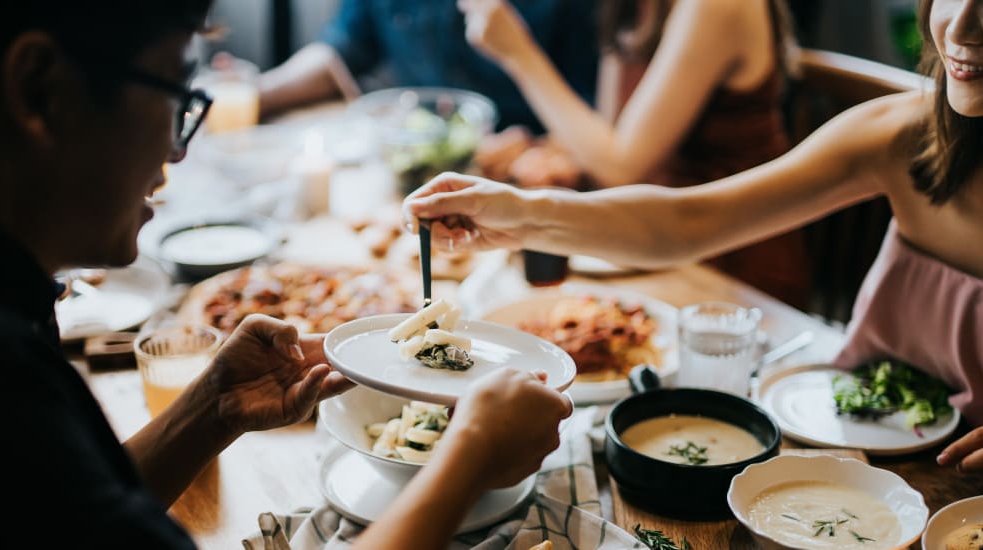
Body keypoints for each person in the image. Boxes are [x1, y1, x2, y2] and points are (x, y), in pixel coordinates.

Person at [0, 2, 571, 547]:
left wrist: (213, 408)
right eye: (176, 96)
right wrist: (471, 452)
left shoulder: (14, 316)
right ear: (41, 91)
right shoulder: (2, 372)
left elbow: (86, 514)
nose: (178, 148)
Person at [404, 0, 983, 472]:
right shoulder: (903, 135)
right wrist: (524, 213)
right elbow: (689, 222)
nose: (962, 26)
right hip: (852, 445)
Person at [459, 0, 812, 308]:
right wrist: (543, 148)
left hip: (727, 259)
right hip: (655, 237)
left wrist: (518, 53)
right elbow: (614, 134)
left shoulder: (718, 5)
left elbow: (621, 167)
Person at [257, 0, 600, 133]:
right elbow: (340, 49)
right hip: (414, 161)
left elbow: (598, 118)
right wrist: (254, 94)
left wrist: (544, 147)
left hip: (529, 178)